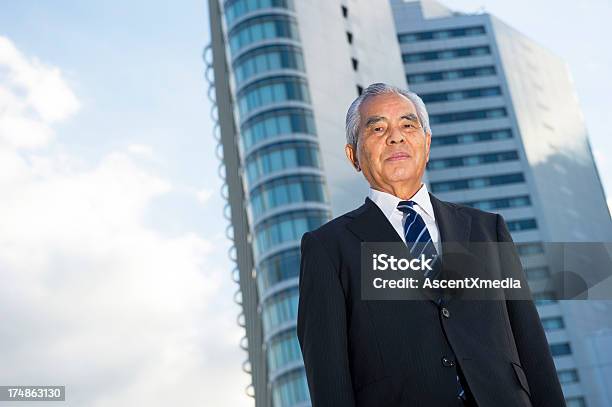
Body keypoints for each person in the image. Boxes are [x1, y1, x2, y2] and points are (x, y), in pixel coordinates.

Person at [296, 83, 565, 406]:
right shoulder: (328, 249)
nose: (395, 137)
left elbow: (531, 346)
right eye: (378, 128)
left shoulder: (486, 229)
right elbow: (329, 378)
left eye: (408, 125)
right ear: (353, 155)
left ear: (427, 142)